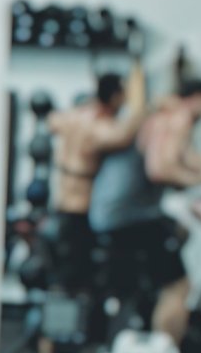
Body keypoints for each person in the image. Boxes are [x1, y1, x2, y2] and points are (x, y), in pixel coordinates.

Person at [88, 75, 201, 347]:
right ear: (197, 100)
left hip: (110, 217)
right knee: (179, 284)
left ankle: (138, 351)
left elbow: (182, 158)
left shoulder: (156, 117)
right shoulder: (175, 119)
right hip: (129, 218)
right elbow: (160, 169)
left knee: (173, 238)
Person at [45, 65, 145, 299]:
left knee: (69, 276)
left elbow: (52, 121)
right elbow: (122, 137)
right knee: (77, 281)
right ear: (117, 97)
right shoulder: (99, 127)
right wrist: (141, 111)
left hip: (62, 200)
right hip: (80, 207)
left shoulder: (73, 117)